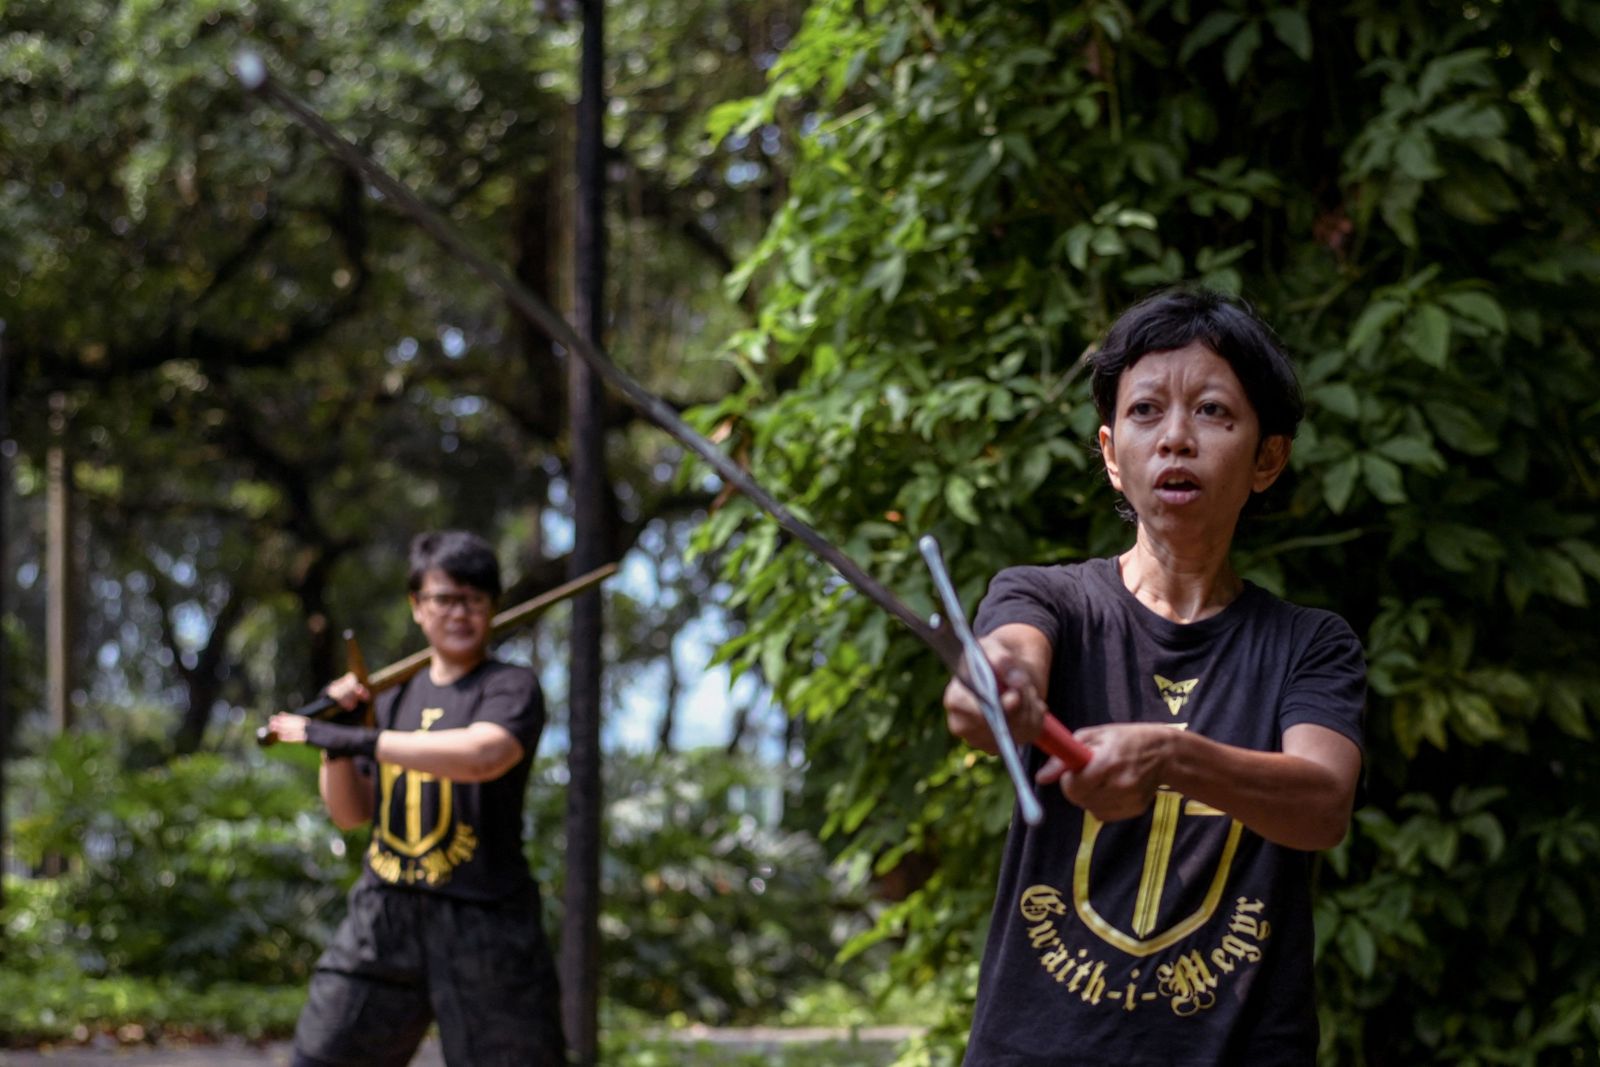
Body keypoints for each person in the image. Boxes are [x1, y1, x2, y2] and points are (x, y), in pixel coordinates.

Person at [943, 288, 1365, 1065]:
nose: (1175, 438)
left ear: (1268, 457)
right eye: (1145, 413)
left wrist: (1172, 756)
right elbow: (1007, 658)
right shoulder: (1045, 597)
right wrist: (995, 687)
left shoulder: (1310, 643)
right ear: (1110, 453)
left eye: (1212, 411)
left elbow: (1322, 803)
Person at [268, 530, 566, 1067]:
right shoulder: (393, 695)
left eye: (474, 600)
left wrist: (356, 738)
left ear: (493, 608)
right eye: (444, 599)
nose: (460, 613)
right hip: (384, 914)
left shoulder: (509, 687)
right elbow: (350, 813)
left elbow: (484, 755)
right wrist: (336, 740)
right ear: (417, 607)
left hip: (484, 917)